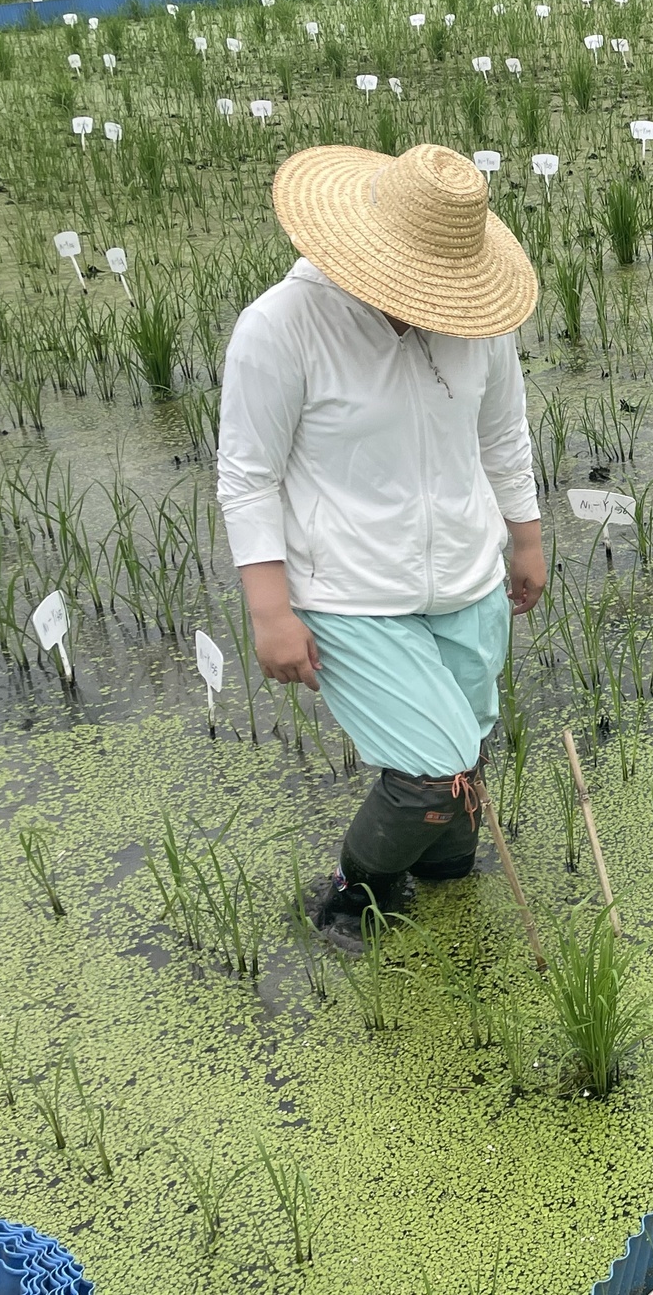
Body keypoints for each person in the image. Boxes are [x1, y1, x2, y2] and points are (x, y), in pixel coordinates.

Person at [216, 142, 546, 945]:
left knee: (469, 751)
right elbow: (248, 476)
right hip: (353, 593)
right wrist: (270, 612)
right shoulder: (283, 327)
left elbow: (504, 434)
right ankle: (352, 894)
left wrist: (526, 540)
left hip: (467, 580)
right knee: (433, 771)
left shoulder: (477, 322)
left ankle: (442, 875)